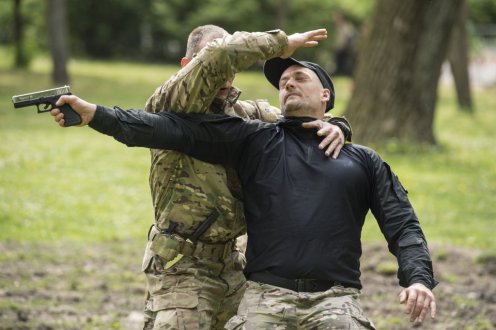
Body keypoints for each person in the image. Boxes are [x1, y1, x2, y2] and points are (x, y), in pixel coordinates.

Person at [52, 56, 438, 328]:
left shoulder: (364, 161)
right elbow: (173, 129)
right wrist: (95, 114)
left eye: (299, 77)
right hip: (264, 298)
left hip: (336, 300)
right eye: (282, 81)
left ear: (326, 96)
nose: (287, 82)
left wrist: (418, 278)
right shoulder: (256, 139)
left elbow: (403, 225)